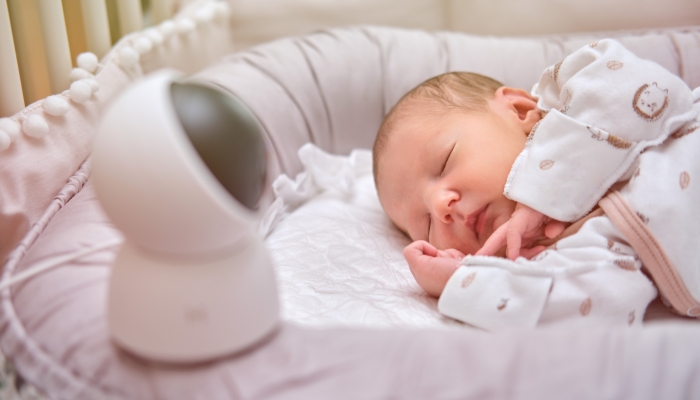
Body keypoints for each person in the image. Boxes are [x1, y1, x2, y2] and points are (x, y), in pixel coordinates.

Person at [372, 39, 700, 331]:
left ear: (519, 109)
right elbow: (595, 310)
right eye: (426, 224)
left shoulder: (574, 95)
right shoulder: (561, 251)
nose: (441, 205)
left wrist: (544, 189)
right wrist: (462, 280)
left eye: (444, 163)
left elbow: (639, 85)